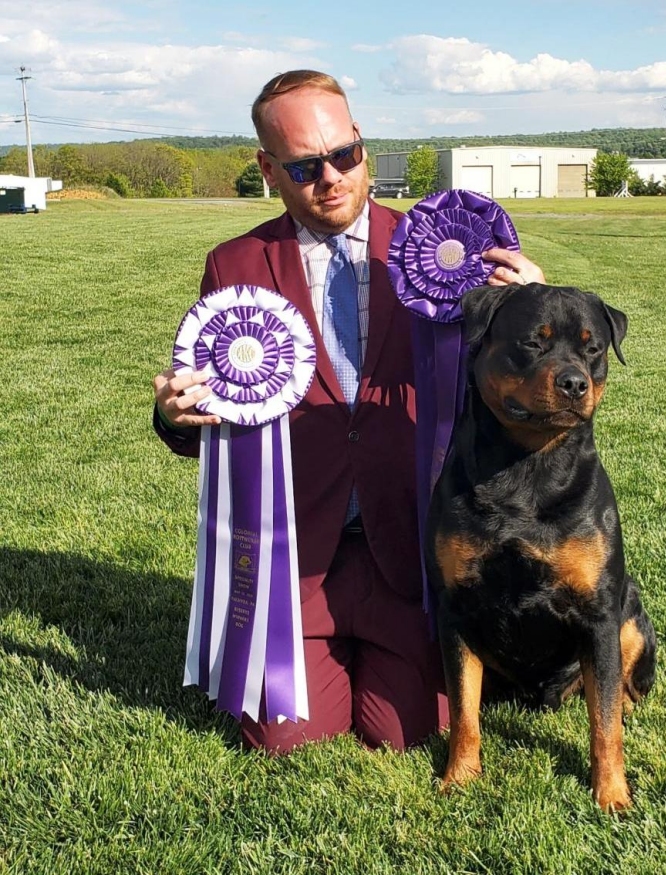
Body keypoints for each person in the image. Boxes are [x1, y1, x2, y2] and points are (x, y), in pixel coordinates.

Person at [152, 69, 545, 755]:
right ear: (268, 167)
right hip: (296, 553)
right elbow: (209, 417)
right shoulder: (235, 261)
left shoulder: (448, 255)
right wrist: (176, 417)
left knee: (404, 731)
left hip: (415, 551)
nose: (330, 177)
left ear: (361, 143)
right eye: (304, 166)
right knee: (286, 737)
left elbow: (523, 403)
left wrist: (531, 309)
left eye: (344, 155)